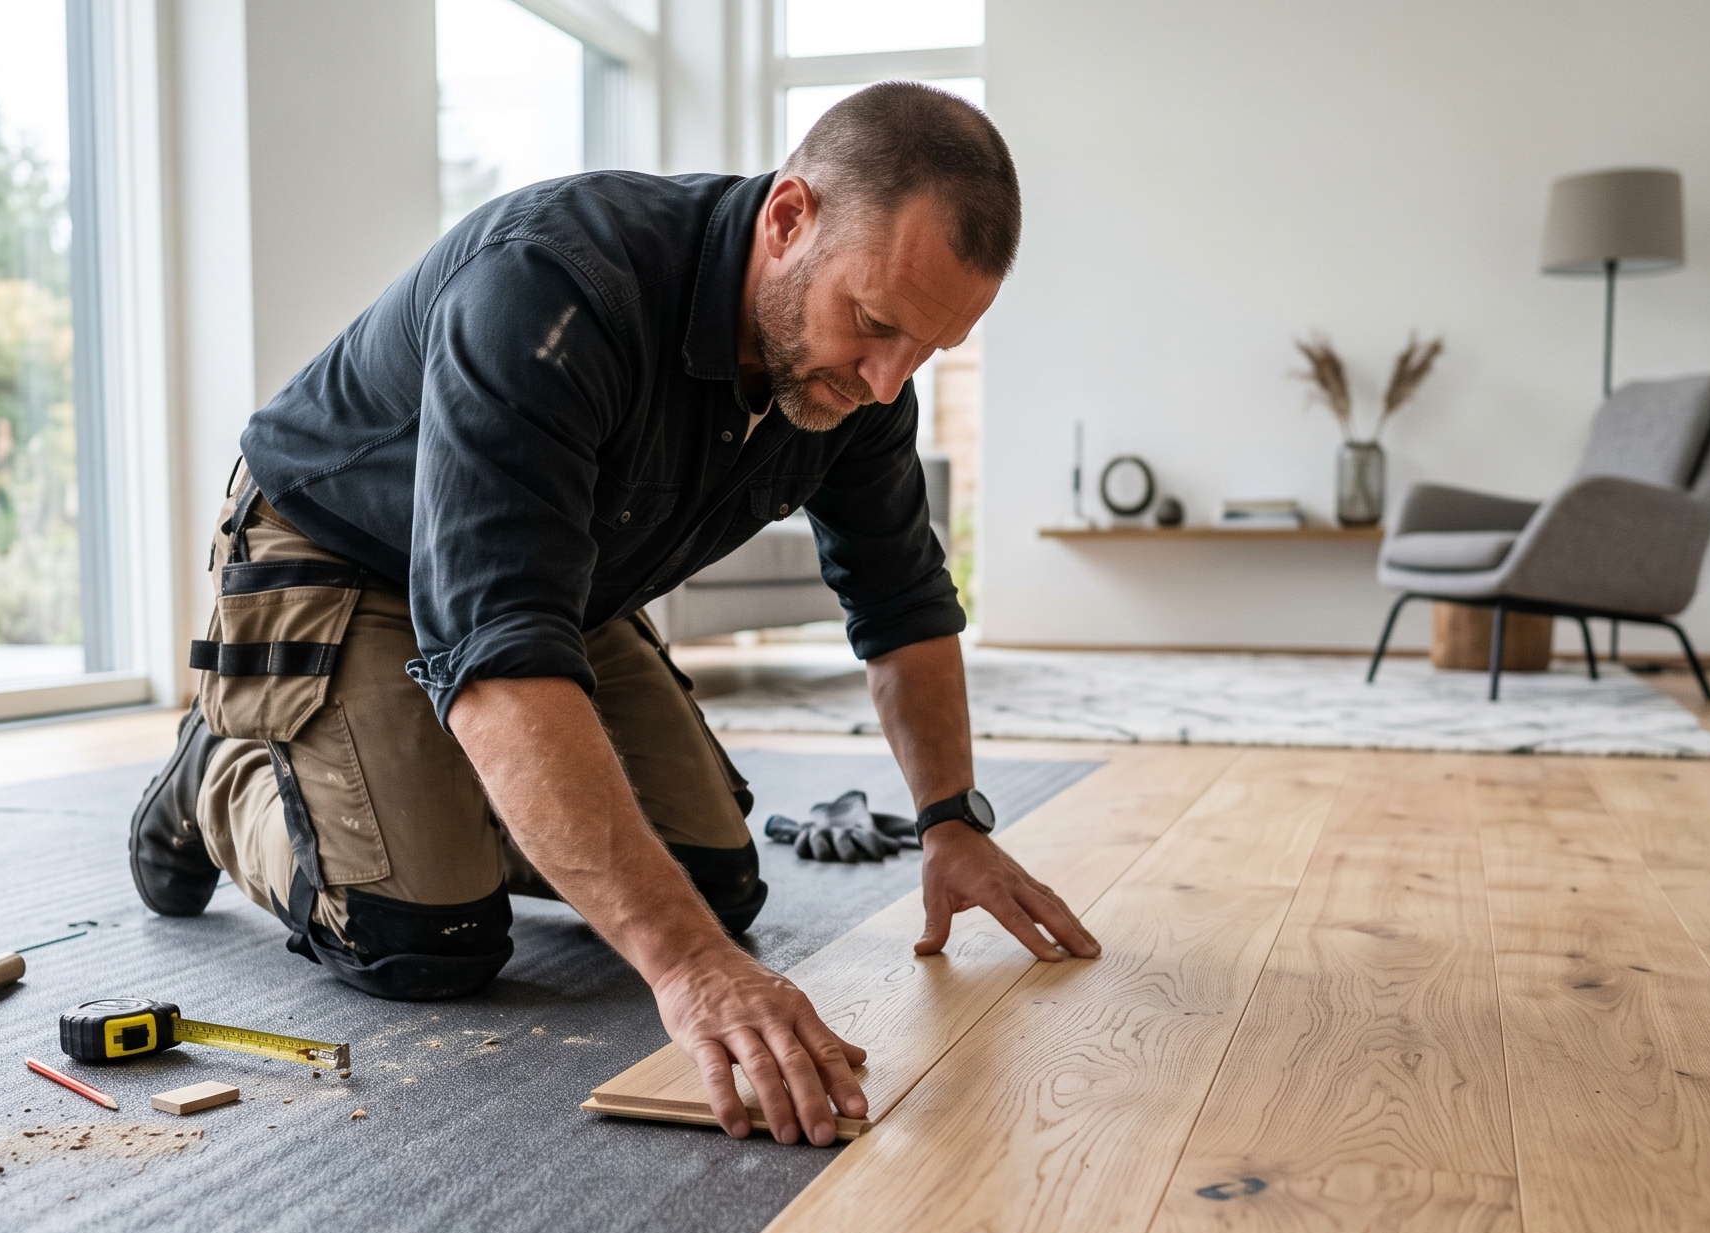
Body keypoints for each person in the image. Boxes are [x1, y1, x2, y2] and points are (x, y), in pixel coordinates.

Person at [127, 83, 1098, 1147]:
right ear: (787, 219)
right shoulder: (551, 289)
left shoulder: (866, 379)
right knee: (425, 937)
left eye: (925, 348)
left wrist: (950, 818)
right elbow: (497, 652)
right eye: (871, 325)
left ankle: (428, 779)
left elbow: (901, 600)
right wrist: (687, 974)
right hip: (340, 553)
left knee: (714, 890)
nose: (885, 380)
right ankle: (219, 772)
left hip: (552, 583)